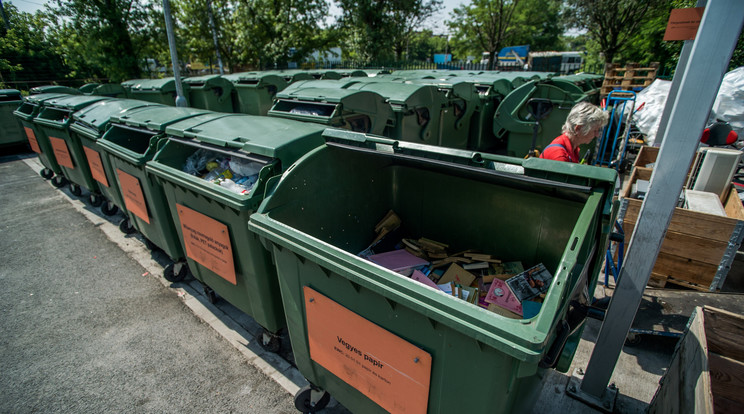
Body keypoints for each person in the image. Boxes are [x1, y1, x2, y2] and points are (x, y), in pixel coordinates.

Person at [540, 101, 609, 163]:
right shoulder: (559, 155)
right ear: (578, 128)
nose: (597, 135)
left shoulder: (572, 148)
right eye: (594, 130)